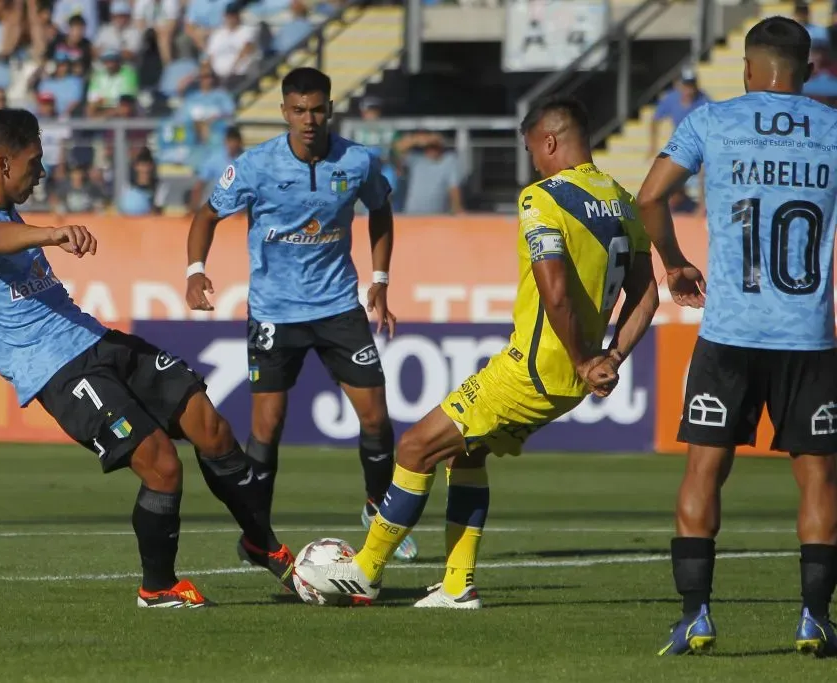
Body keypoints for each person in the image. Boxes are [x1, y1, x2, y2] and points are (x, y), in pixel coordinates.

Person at [0, 109, 295, 609]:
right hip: (57, 370)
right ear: (3, 163)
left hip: (93, 338)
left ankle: (263, 542)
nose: (41, 172)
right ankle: (157, 588)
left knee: (208, 422)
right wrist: (52, 233)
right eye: (34, 162)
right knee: (161, 465)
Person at [297, 95, 660, 607]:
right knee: (465, 453)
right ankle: (456, 583)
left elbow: (554, 291)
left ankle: (365, 570)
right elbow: (647, 294)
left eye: (534, 149)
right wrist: (609, 358)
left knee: (415, 447)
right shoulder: (624, 201)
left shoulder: (544, 198)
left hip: (534, 370)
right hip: (573, 379)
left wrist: (583, 357)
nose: (534, 161)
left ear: (550, 142)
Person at [636, 16, 837, 657]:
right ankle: (814, 619)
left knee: (704, 470)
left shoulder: (712, 122)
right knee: (820, 482)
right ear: (808, 71)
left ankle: (695, 616)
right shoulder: (833, 128)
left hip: (730, 332)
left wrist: (674, 262)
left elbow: (649, 197)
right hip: (809, 335)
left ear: (747, 70)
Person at [185, 67, 420, 564]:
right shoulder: (255, 166)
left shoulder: (357, 161)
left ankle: (378, 508)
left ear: (330, 107)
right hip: (274, 311)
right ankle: (257, 535)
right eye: (298, 110)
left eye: (317, 109)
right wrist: (195, 270)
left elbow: (380, 211)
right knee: (266, 427)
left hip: (337, 306)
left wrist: (379, 281)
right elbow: (207, 215)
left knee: (376, 416)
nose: (308, 119)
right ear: (284, 112)